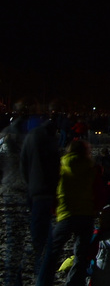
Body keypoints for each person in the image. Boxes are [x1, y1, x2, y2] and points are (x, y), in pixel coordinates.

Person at [50, 139, 99, 286]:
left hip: (66, 213)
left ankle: (45, 279)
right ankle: (73, 283)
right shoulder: (91, 167)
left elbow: (52, 187)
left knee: (52, 250)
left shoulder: (61, 166)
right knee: (82, 254)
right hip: (86, 214)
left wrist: (54, 208)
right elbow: (98, 190)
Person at [20, 116, 59, 286]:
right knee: (44, 242)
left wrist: (29, 184)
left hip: (33, 191)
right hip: (45, 192)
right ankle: (41, 277)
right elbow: (54, 168)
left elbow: (24, 163)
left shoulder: (31, 137)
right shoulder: (49, 140)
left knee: (38, 235)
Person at [2, 113, 29, 286]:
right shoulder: (27, 143)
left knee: (13, 239)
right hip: (22, 192)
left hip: (8, 190)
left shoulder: (4, 141)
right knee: (18, 241)